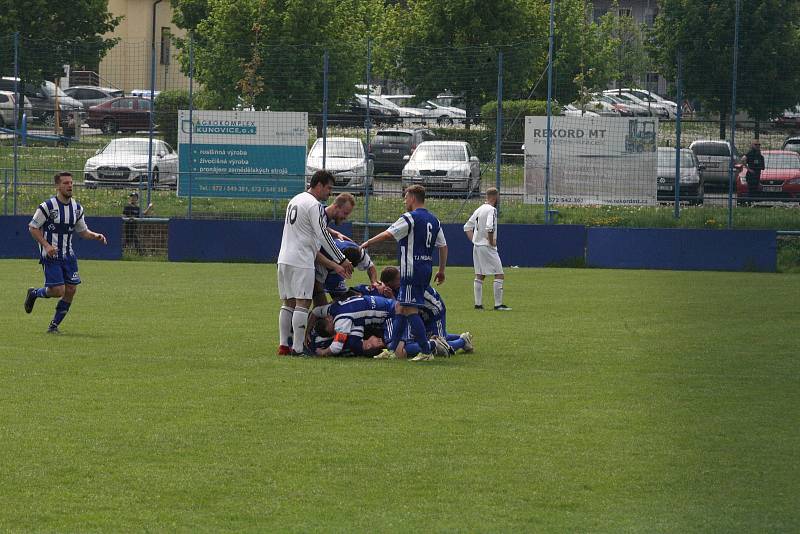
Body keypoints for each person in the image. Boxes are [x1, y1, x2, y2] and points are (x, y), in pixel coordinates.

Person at [361, 185, 447, 361]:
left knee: (410, 310)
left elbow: (388, 234)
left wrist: (367, 243)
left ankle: (426, 350)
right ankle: (392, 349)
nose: (404, 201)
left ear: (413, 198)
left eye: (406, 197)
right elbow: (443, 246)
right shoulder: (434, 220)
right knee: (400, 307)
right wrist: (441, 270)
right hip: (425, 269)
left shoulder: (410, 218)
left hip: (411, 269)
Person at [277, 170, 354, 355]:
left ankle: (283, 346)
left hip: (284, 258)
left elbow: (309, 227)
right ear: (318, 185)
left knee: (288, 303)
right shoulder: (314, 205)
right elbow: (322, 235)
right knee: (303, 303)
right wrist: (341, 259)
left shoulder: (295, 199)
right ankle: (297, 348)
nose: (329, 193)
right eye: (328, 188)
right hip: (302, 260)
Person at [24, 171, 108, 333]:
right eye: (65, 183)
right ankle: (34, 293)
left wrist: (95, 236)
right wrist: (47, 246)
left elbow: (83, 232)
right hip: (51, 255)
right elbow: (33, 227)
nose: (70, 186)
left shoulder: (77, 208)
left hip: (68, 255)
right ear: (57, 186)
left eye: (71, 183)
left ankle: (53, 326)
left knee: (71, 289)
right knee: (58, 291)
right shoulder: (47, 207)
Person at [464, 187, 511, 311]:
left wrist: (475, 241)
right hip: (487, 246)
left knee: (480, 274)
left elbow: (467, 227)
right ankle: (498, 305)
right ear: (495, 197)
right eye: (498, 197)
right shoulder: (492, 210)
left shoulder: (479, 209)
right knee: (499, 274)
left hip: (477, 247)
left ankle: (478, 305)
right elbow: (490, 227)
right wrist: (491, 241)